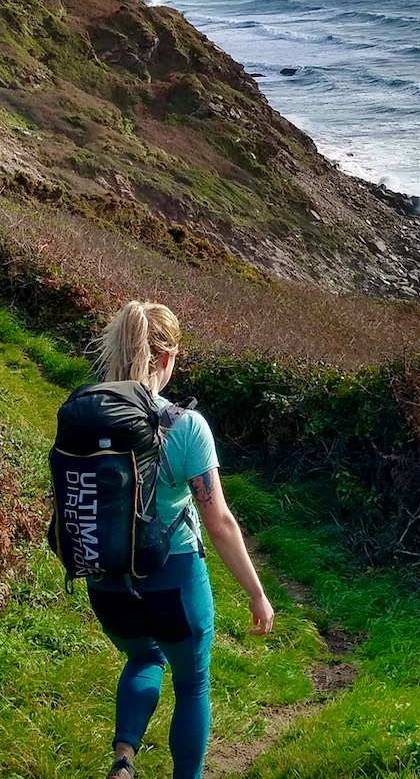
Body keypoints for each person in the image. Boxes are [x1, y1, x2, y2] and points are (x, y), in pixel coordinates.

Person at [86, 300, 275, 779]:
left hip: (106, 580)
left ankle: (124, 761)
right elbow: (220, 523)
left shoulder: (87, 418)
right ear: (166, 358)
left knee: (144, 657)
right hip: (173, 578)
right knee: (192, 685)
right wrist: (256, 593)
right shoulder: (187, 427)